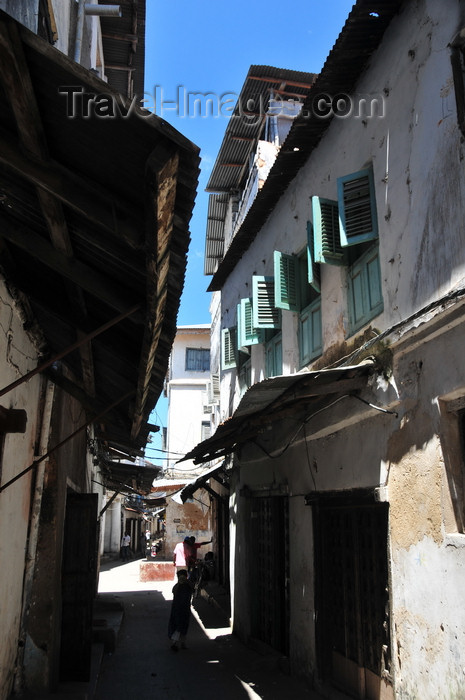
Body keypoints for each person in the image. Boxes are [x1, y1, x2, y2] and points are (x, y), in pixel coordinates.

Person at [167, 569, 192, 651]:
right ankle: (176, 643)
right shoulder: (187, 585)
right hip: (182, 609)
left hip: (177, 608)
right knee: (181, 626)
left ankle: (181, 643)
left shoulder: (177, 586)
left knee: (180, 625)